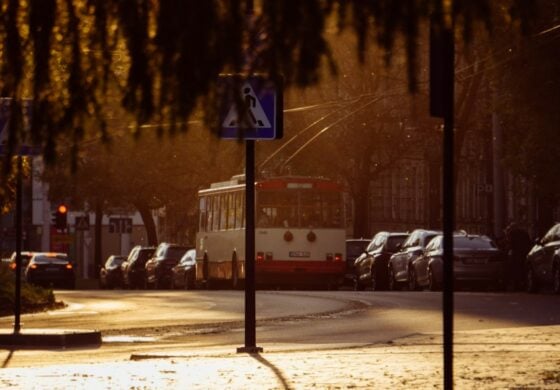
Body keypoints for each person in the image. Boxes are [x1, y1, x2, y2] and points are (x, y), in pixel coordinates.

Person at [504, 222, 532, 291]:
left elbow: (510, 243)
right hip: (524, 253)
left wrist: (507, 250)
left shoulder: (512, 233)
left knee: (515, 270)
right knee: (523, 270)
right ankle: (524, 285)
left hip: (516, 254)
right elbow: (529, 242)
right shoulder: (524, 232)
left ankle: (516, 286)